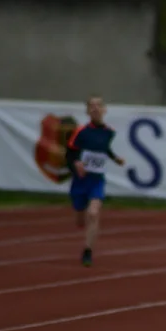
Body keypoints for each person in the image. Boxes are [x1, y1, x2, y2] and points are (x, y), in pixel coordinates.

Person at [64, 95, 125, 266]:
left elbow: (104, 149)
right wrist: (76, 164)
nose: (95, 109)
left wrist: (115, 158)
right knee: (80, 218)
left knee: (93, 213)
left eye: (98, 105)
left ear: (104, 110)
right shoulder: (80, 132)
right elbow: (69, 154)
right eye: (92, 106)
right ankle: (79, 214)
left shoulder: (109, 132)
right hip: (80, 181)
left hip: (97, 180)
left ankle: (88, 250)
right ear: (87, 111)